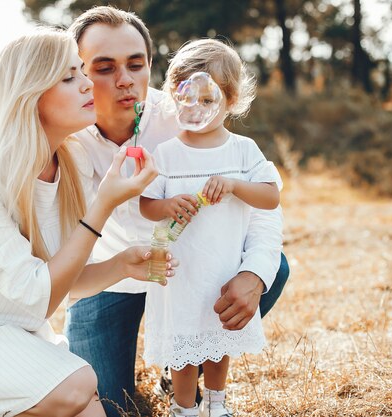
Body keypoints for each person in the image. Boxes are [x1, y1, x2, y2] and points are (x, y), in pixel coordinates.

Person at [0, 6, 290, 417]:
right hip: (104, 281)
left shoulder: (189, 112)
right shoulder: (65, 135)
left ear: (150, 66)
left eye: (135, 65)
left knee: (273, 268)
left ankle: (182, 365)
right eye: (101, 68)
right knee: (104, 401)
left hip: (188, 273)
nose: (124, 81)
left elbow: (262, 204)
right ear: (76, 69)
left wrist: (255, 274)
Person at [0, 28, 174, 417]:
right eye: (69, 77)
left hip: (13, 331)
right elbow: (37, 296)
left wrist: (121, 264)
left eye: (82, 72)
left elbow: (59, 275)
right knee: (79, 384)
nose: (87, 84)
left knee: (92, 407)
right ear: (30, 92)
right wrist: (103, 205)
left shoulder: (69, 160)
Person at [139, 39, 281, 417]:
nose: (196, 109)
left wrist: (234, 185)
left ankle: (218, 404)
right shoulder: (167, 153)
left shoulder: (243, 151)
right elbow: (147, 205)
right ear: (174, 97)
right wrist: (167, 205)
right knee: (184, 343)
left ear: (231, 101)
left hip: (223, 266)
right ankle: (184, 407)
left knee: (218, 339)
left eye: (208, 100)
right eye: (187, 98)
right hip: (182, 272)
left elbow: (270, 197)